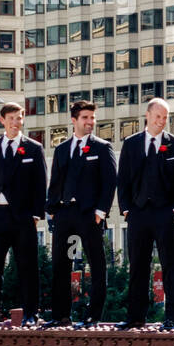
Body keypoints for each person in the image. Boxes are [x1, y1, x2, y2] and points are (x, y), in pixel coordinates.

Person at [116, 98, 174, 330]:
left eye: (165, 118)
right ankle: (136, 317)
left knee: (171, 265)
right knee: (138, 265)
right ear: (147, 116)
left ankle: (172, 317)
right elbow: (123, 179)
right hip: (138, 213)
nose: (161, 121)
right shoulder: (131, 144)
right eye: (157, 116)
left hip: (165, 213)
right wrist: (126, 209)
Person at [0, 102, 47, 329]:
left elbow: (40, 185)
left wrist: (35, 216)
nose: (17, 122)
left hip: (23, 217)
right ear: (2, 120)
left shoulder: (34, 149)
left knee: (27, 267)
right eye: (12, 118)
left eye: (20, 117)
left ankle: (30, 314)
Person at [46, 100, 116, 328]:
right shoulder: (62, 149)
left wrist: (100, 212)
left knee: (96, 264)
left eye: (92, 118)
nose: (90, 122)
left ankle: (93, 316)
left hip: (89, 216)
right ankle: (60, 316)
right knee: (61, 264)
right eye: (85, 118)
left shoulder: (102, 147)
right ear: (74, 120)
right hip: (65, 215)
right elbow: (55, 182)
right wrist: (53, 210)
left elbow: (110, 182)